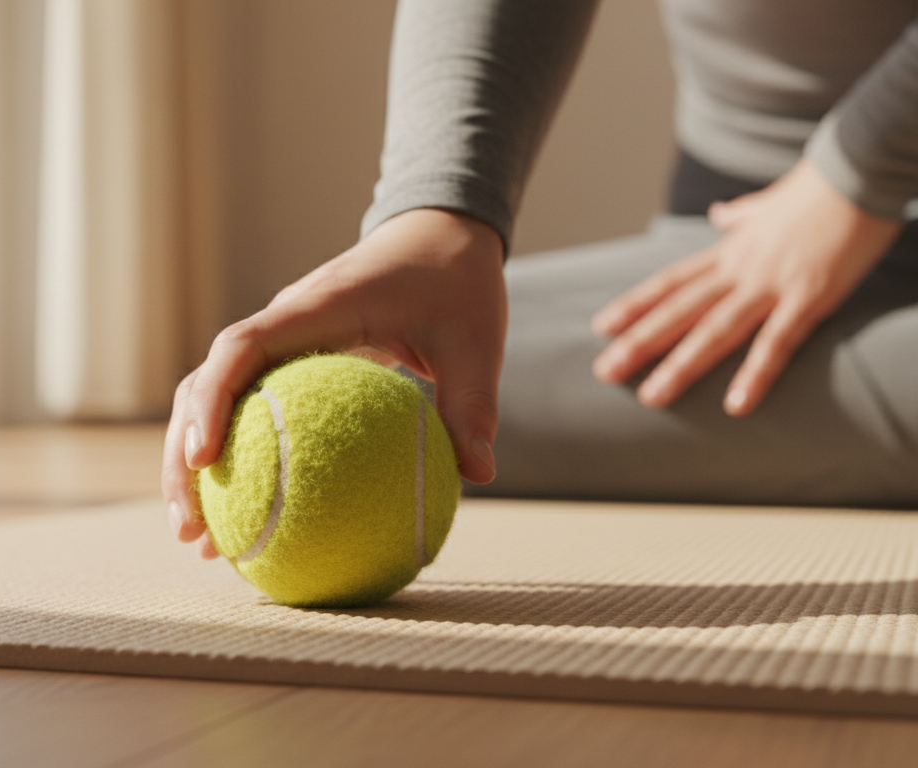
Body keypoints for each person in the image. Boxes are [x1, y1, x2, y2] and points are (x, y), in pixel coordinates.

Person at [165, 0, 918, 559]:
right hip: (741, 237)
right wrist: (436, 213)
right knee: (406, 387)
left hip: (843, 206)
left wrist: (856, 172)